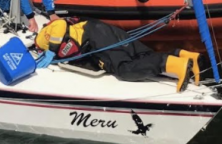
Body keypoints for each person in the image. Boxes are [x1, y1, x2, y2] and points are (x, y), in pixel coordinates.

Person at [35, 17, 201, 93]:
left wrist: (51, 50)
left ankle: (175, 65)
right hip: (101, 31)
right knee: (141, 56)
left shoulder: (40, 39)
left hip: (94, 35)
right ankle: (182, 56)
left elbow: (59, 24)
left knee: (123, 69)